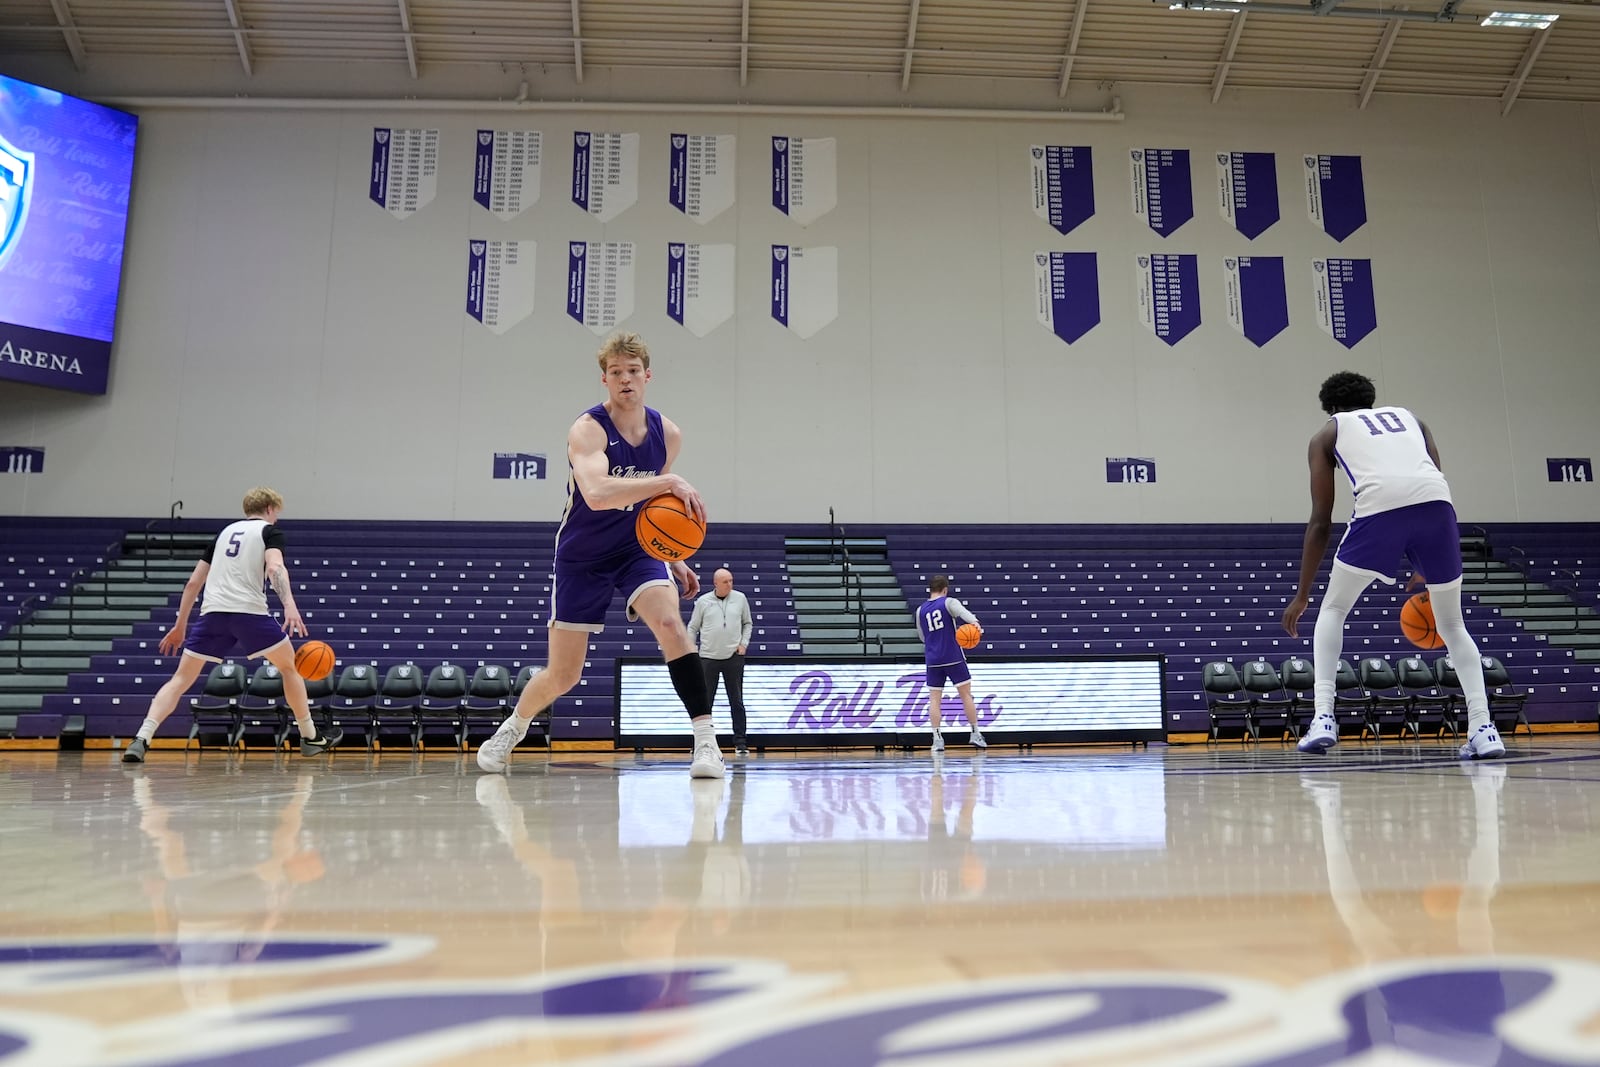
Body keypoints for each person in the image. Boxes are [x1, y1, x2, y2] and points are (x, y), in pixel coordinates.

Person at [477, 332, 720, 778]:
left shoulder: (667, 434)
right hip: (582, 555)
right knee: (564, 675)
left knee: (671, 624)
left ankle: (706, 744)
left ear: (647, 376)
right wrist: (668, 483)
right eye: (615, 372)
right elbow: (599, 493)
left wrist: (675, 554)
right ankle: (513, 727)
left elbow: (653, 506)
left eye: (632, 371)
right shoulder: (587, 429)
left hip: (635, 549)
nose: (625, 379)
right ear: (604, 380)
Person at [1282, 371, 1503, 759]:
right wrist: (1424, 557)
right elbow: (1432, 479)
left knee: (1332, 608)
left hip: (1380, 511)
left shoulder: (1327, 433)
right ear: (1370, 400)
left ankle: (1323, 718)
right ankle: (1484, 728)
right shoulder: (1412, 419)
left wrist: (1301, 595)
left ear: (1331, 408)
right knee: (1453, 624)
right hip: (1437, 509)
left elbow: (1321, 521)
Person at [123, 487, 340, 762]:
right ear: (270, 509)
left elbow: (193, 583)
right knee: (289, 667)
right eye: (277, 513)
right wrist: (289, 605)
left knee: (179, 680)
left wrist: (180, 626)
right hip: (249, 613)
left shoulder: (223, 534)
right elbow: (274, 568)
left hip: (212, 613)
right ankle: (310, 737)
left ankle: (141, 738)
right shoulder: (269, 531)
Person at [914, 574, 986, 753]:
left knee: (934, 700)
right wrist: (976, 625)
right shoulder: (949, 602)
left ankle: (937, 739)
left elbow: (923, 637)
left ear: (930, 590)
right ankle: (975, 734)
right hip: (952, 655)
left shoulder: (920, 610)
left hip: (932, 658)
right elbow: (966, 616)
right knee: (966, 695)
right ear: (945, 589)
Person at [687, 568, 753, 756]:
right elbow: (692, 627)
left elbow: (748, 623)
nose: (729, 584)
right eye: (725, 581)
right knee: (704, 705)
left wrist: (743, 644)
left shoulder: (740, 598)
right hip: (708, 658)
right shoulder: (703, 601)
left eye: (731, 580)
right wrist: (692, 648)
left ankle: (740, 742)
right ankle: (700, 743)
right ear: (715, 583)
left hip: (733, 657)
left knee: (737, 701)